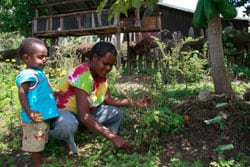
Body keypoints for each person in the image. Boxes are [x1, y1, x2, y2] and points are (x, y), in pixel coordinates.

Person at [50, 41, 151, 154]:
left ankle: (93, 134)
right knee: (66, 126)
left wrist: (134, 103)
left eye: (111, 65)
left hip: (82, 113)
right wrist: (111, 136)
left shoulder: (100, 75)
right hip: (65, 113)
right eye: (105, 63)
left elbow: (108, 100)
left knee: (115, 112)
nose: (108, 68)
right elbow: (84, 116)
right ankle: (62, 141)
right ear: (94, 58)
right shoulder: (83, 74)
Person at [16, 37, 60, 167]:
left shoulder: (38, 72)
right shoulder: (27, 74)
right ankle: (36, 163)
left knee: (40, 138)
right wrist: (28, 111)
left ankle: (40, 158)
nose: (44, 60)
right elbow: (22, 93)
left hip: (42, 115)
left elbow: (43, 89)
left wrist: (55, 93)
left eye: (45, 56)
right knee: (35, 140)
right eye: (40, 57)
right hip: (34, 117)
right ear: (27, 58)